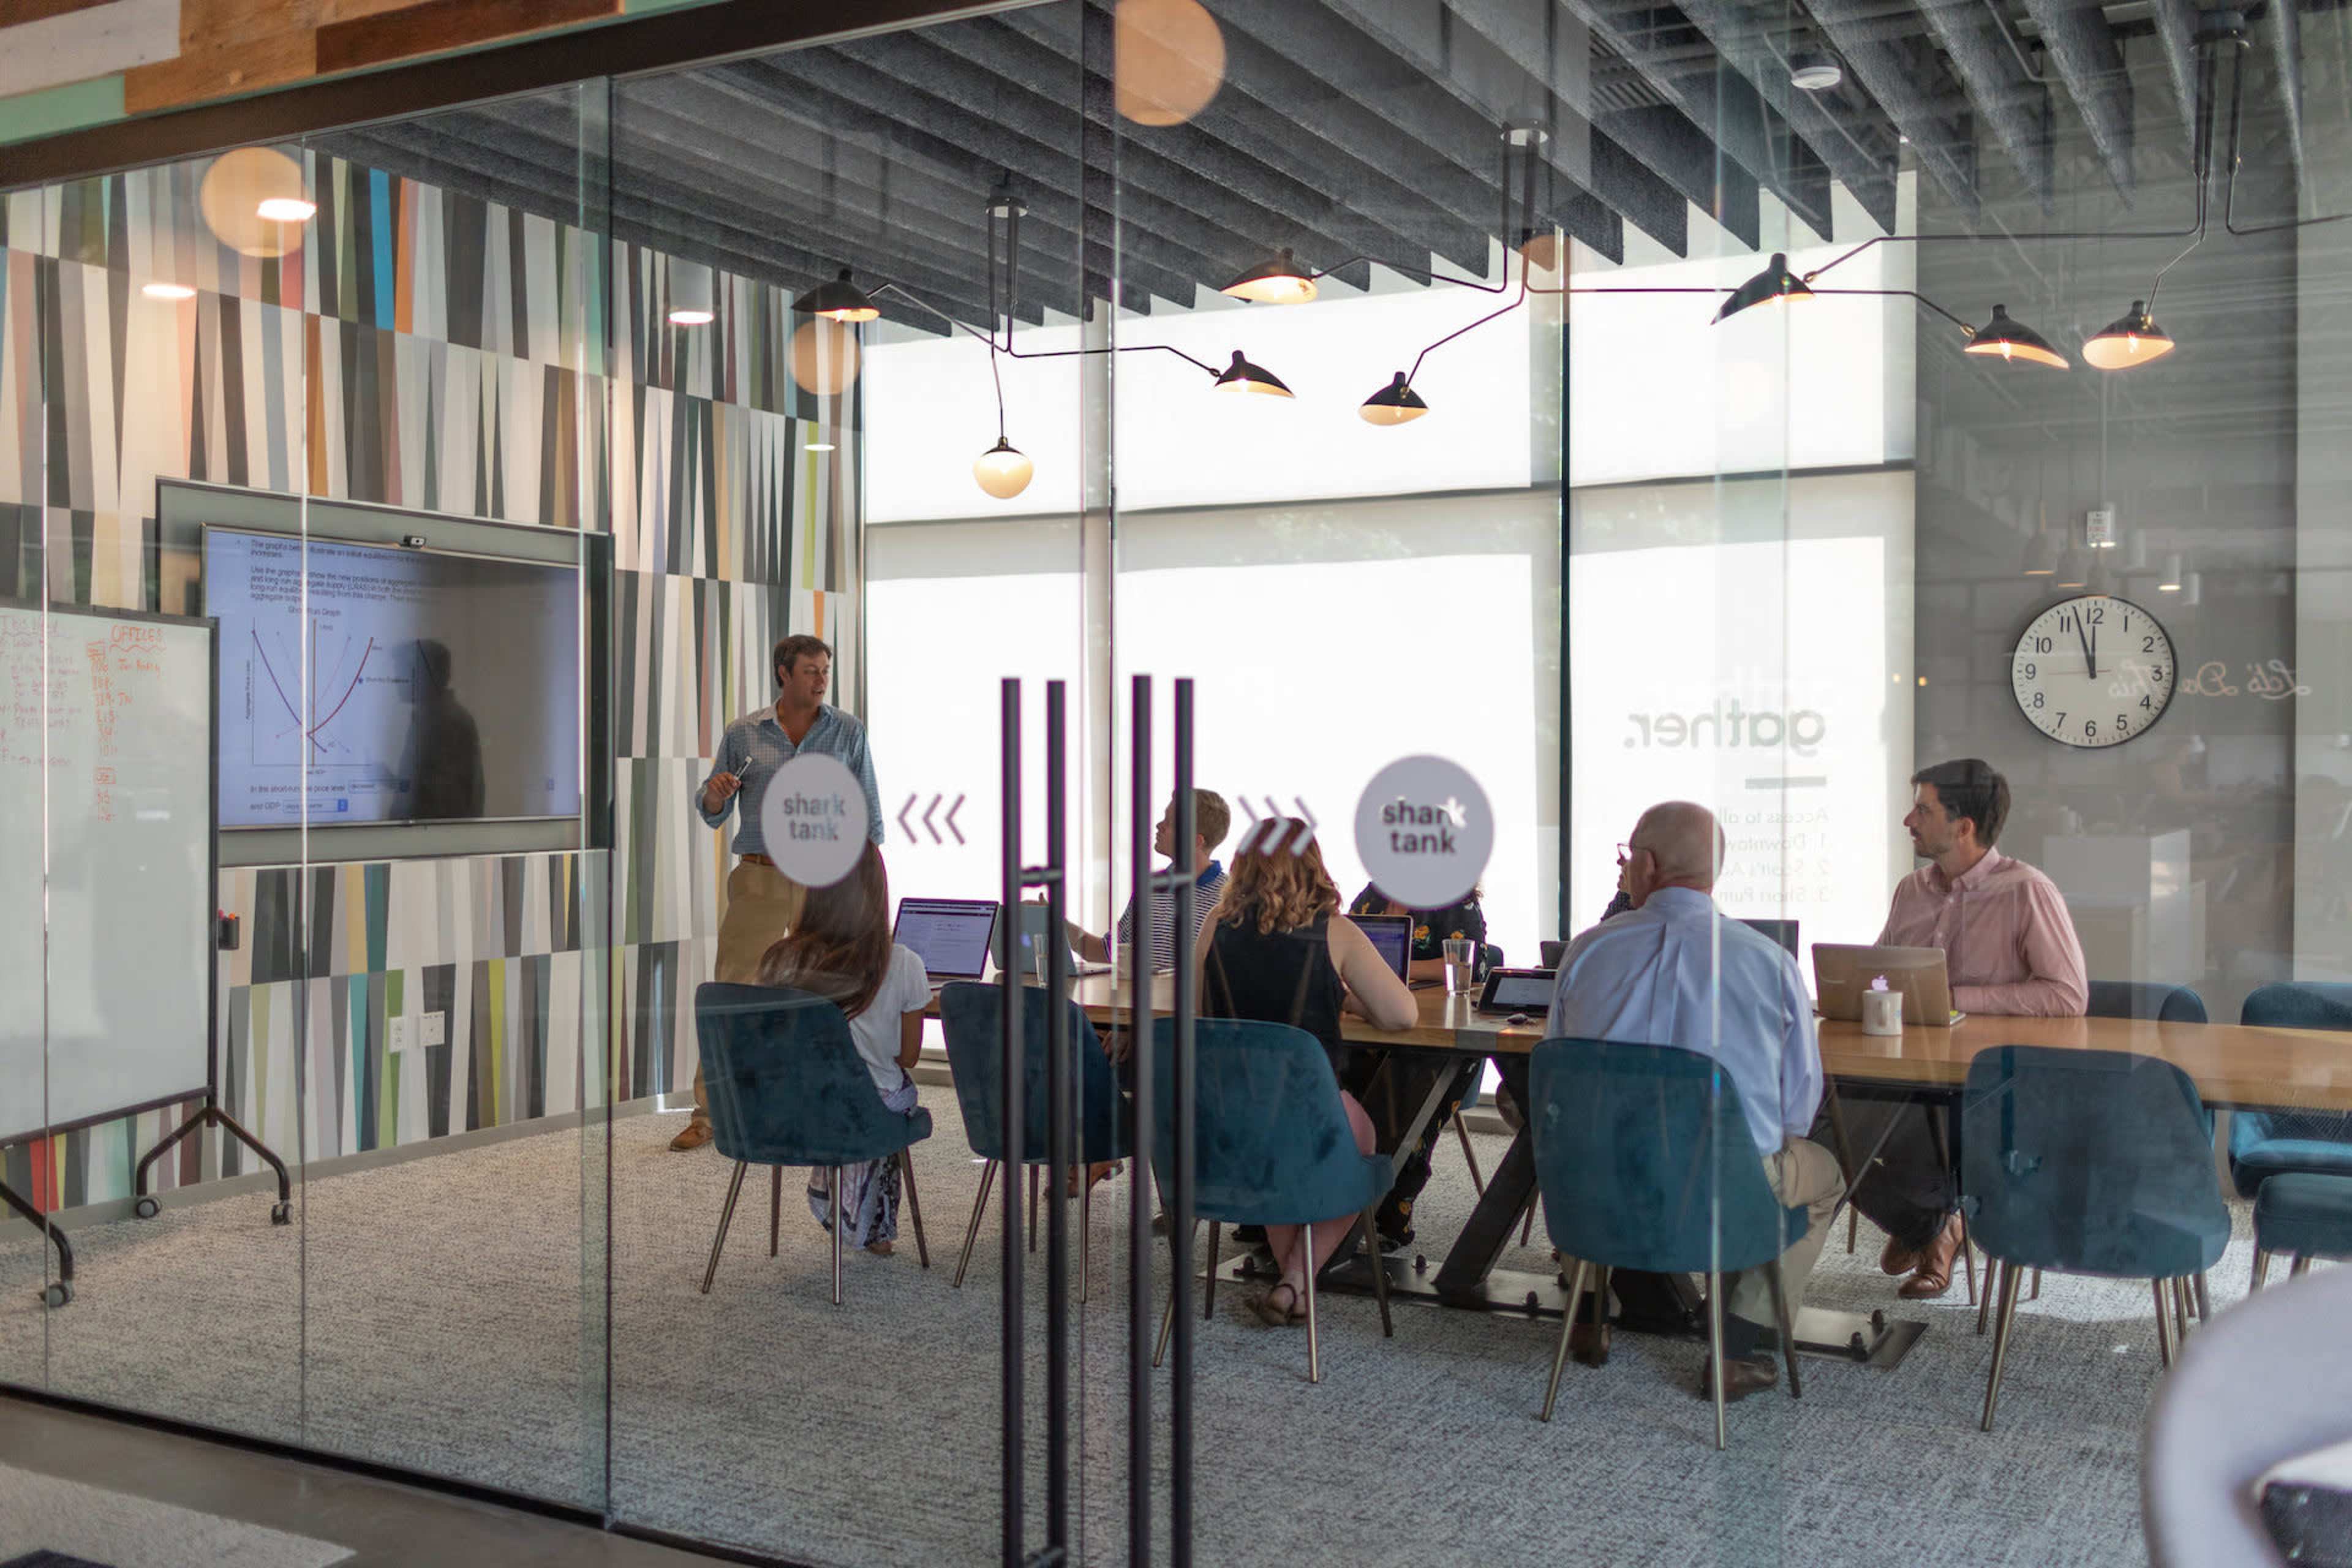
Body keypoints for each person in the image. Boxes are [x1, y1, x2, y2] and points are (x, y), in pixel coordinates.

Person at [1545, 801, 1838, 1401]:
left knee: (1587, 1145)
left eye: (1627, 856)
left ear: (1647, 866)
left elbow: (1560, 1080)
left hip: (1605, 1184)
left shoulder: (1586, 952)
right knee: (1823, 1176)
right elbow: (1796, 1112)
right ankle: (1738, 1343)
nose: (1626, 867)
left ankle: (1590, 1310)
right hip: (1722, 1190)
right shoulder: (1770, 963)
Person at [1830, 758, 2087, 1300]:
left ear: (1963, 826)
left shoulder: (2027, 891)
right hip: (1909, 1069)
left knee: (1879, 1127)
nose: (1908, 820)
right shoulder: (1911, 890)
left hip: (1989, 1082)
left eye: (1923, 810)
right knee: (1820, 1116)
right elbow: (1879, 972)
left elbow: (2067, 996)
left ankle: (1927, 1226)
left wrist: (1954, 999)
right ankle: (1930, 1225)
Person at [1196, 818, 1418, 1326]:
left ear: (1242, 866)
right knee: (1360, 1149)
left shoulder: (1214, 926)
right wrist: (1349, 1002)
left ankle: (1289, 1285)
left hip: (1232, 1114)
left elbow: (1196, 1016)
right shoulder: (1333, 930)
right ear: (1313, 863)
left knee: (1278, 1160)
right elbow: (1401, 1015)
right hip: (1309, 1113)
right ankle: (1296, 1281)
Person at [674, 633, 884, 1152]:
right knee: (734, 993)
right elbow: (712, 809)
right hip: (761, 876)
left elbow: (868, 812)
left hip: (827, 883)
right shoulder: (744, 733)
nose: (820, 680)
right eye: (810, 670)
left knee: (829, 993)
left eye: (825, 670)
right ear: (783, 673)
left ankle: (824, 1102)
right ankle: (708, 1117)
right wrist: (714, 794)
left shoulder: (848, 731)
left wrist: (865, 884)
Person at [753, 841, 927, 1254]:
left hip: (792, 1112)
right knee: (889, 1092)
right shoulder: (903, 963)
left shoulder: (779, 961)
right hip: (862, 1116)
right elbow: (909, 1057)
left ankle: (851, 1204)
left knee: (857, 1094)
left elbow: (769, 1044)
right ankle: (875, 1224)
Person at [1342, 880, 1488, 1250]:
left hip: (1435, 1036)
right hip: (1372, 1019)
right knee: (1325, 1069)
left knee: (1408, 1087)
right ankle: (1313, 1208)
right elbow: (1343, 950)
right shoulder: (1373, 895)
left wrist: (1392, 967)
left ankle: (1386, 1214)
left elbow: (1468, 964)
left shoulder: (1456, 900)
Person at [1068, 789, 1231, 971]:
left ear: (1196, 841)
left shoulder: (1228, 896)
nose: (1159, 826)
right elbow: (1108, 953)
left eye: (1169, 822)